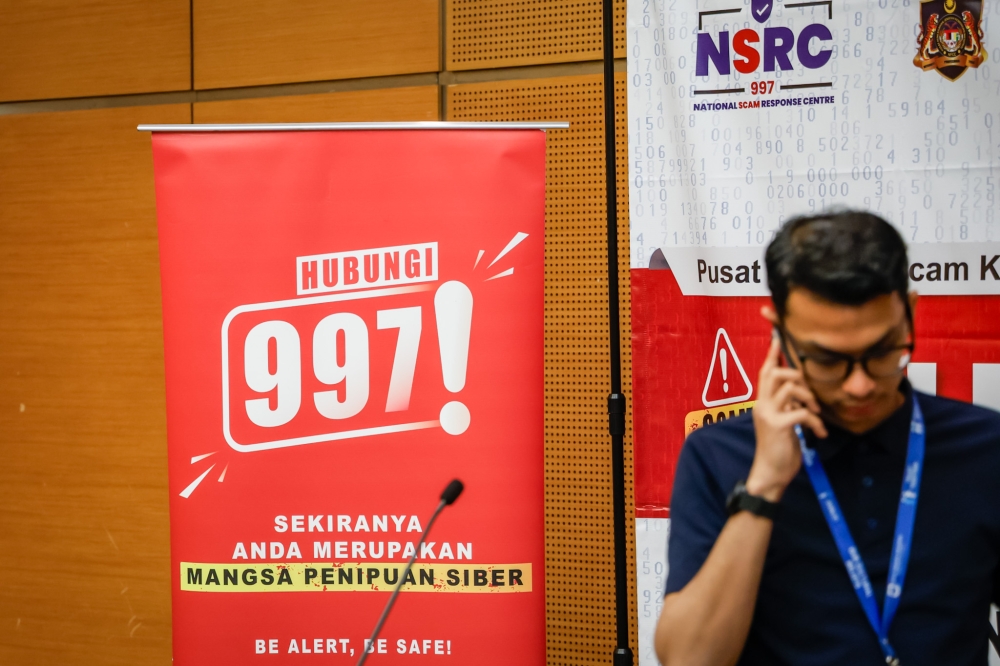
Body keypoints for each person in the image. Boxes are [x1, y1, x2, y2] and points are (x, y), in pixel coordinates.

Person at [654, 210, 1000, 666]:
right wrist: (763, 487)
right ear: (780, 331)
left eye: (882, 352)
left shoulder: (987, 447)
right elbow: (689, 658)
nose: (859, 385)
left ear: (910, 313)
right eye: (827, 360)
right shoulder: (719, 455)